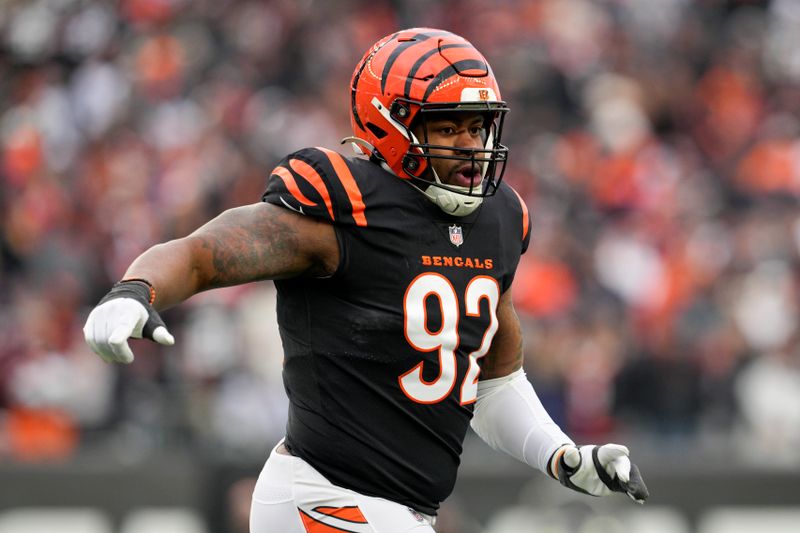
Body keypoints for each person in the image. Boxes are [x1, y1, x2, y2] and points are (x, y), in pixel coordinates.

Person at [84, 28, 648, 533]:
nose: (470, 146)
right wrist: (136, 288)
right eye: (447, 126)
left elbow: (493, 381)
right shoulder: (345, 209)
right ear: (389, 122)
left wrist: (562, 456)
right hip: (324, 497)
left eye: (477, 126)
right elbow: (204, 254)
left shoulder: (497, 221)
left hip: (392, 511)